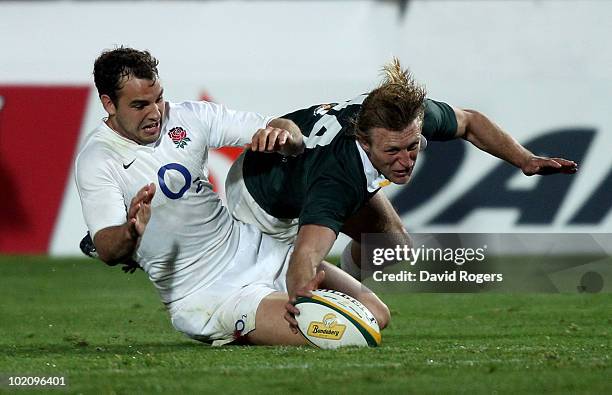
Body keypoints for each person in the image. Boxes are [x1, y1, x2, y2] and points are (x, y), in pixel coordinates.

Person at [75, 47, 390, 346]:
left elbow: (280, 127)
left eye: (158, 98)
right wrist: (130, 233)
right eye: (140, 105)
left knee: (377, 314)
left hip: (258, 250)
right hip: (208, 295)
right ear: (109, 103)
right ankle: (242, 327)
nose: (156, 112)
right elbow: (107, 248)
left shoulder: (189, 117)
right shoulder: (98, 159)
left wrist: (284, 137)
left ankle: (258, 327)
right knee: (350, 333)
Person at [225, 58, 578, 308]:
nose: (406, 161)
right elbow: (306, 252)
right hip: (258, 194)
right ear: (364, 141)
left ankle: (338, 286)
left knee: (392, 245)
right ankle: (312, 288)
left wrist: (525, 160)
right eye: (392, 151)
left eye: (413, 147)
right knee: (275, 278)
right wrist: (302, 305)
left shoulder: (406, 115)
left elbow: (470, 122)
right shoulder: (337, 179)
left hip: (305, 168)